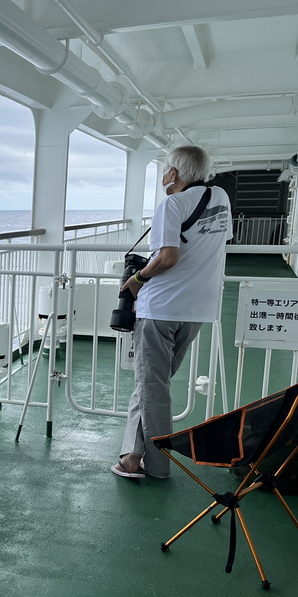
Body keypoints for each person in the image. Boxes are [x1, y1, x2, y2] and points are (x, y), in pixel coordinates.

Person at [112, 145, 232, 480]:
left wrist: (137, 278)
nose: (163, 175)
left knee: (153, 387)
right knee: (153, 384)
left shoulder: (172, 204)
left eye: (165, 169)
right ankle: (132, 455)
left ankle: (158, 466)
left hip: (161, 308)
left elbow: (167, 257)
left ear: (173, 173)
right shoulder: (221, 198)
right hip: (198, 309)